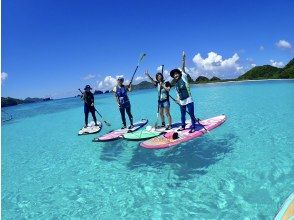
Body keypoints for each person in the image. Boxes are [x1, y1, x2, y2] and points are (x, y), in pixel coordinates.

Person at [170, 52, 197, 133]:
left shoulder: (184, 77)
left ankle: (193, 126)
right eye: (174, 75)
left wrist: (183, 58)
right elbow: (177, 93)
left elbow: (182, 67)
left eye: (176, 74)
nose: (175, 75)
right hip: (182, 101)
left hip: (188, 99)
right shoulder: (176, 84)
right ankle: (183, 126)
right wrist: (177, 100)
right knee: (182, 115)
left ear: (179, 73)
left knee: (191, 114)